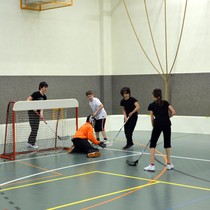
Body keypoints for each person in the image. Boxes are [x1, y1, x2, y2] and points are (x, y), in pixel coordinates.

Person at [144, 88, 176, 172]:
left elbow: (151, 118)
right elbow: (173, 112)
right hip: (167, 124)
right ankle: (169, 164)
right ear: (160, 95)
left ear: (153, 96)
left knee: (153, 144)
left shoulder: (151, 105)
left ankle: (152, 165)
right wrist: (166, 118)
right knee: (167, 143)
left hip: (157, 124)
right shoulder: (165, 103)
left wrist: (153, 126)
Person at [27, 81, 48, 149]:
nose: (46, 89)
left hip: (37, 113)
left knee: (36, 128)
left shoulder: (44, 97)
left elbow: (42, 107)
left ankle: (30, 142)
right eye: (45, 87)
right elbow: (28, 100)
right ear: (41, 87)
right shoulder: (36, 94)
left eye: (46, 87)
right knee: (34, 128)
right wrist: (33, 108)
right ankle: (31, 143)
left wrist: (41, 115)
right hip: (32, 112)